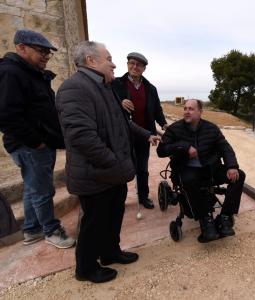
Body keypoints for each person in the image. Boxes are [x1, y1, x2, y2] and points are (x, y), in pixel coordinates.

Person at [55, 41, 159, 283]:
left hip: (113, 174)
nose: (114, 63)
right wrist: (114, 163)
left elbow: (124, 124)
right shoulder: (74, 88)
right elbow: (82, 137)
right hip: (97, 174)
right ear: (91, 61)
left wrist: (147, 134)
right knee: (94, 223)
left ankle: (110, 253)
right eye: (109, 58)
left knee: (112, 216)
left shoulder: (105, 87)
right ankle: (86, 268)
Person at [0, 29, 76, 249]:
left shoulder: (30, 72)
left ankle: (32, 230)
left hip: (38, 144)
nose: (45, 56)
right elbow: (6, 116)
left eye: (48, 52)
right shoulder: (10, 73)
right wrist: (36, 142)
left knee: (33, 188)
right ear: (21, 48)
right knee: (43, 191)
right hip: (30, 146)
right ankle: (51, 230)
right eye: (41, 51)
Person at [157, 99, 246, 242]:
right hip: (185, 169)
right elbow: (161, 151)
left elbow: (225, 148)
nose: (186, 111)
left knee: (239, 176)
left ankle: (225, 217)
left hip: (210, 169)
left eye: (191, 109)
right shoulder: (174, 129)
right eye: (185, 108)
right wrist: (184, 147)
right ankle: (206, 221)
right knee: (190, 180)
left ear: (200, 112)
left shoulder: (211, 128)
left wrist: (231, 166)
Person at [112, 52, 168, 209]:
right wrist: (120, 102)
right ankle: (119, 200)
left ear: (144, 68)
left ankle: (143, 197)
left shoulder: (151, 88)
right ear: (128, 64)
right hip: (123, 135)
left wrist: (163, 124)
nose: (134, 67)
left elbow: (157, 109)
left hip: (145, 135)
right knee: (122, 168)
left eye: (138, 65)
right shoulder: (116, 84)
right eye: (131, 63)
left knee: (142, 169)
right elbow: (107, 103)